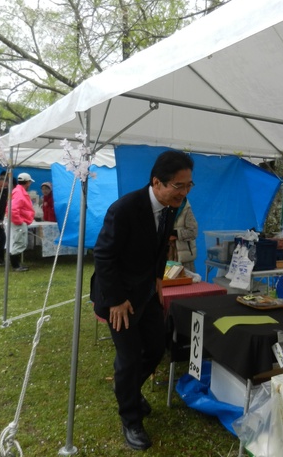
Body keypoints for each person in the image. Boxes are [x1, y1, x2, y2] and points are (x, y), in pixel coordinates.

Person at [90, 150, 194, 450]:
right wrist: (117, 300)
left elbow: (161, 247)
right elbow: (103, 255)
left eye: (189, 185)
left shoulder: (171, 206)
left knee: (157, 347)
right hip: (119, 297)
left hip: (147, 291)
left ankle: (130, 391)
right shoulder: (125, 208)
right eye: (178, 186)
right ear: (157, 182)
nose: (184, 192)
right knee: (130, 357)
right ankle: (131, 419)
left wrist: (159, 280)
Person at [8, 172, 36, 272]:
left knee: (19, 242)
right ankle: (16, 265)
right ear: (27, 182)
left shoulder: (17, 191)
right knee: (19, 242)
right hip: (18, 221)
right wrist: (19, 221)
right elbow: (13, 209)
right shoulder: (19, 193)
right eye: (29, 182)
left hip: (19, 220)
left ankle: (17, 264)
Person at [168, 197, 198, 272]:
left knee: (187, 280)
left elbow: (193, 232)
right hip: (167, 255)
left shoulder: (186, 210)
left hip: (184, 258)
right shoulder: (162, 208)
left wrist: (175, 234)